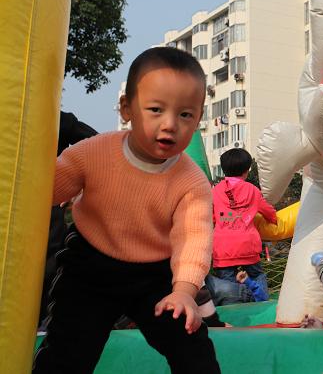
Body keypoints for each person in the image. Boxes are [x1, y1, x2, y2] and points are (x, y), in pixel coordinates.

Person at [33, 47, 221, 373]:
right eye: (156, 110)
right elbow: (46, 190)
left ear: (198, 119)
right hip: (90, 266)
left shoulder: (191, 182)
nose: (170, 124)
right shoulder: (94, 153)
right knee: (68, 350)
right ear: (126, 108)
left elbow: (193, 240)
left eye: (185, 115)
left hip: (156, 277)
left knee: (193, 350)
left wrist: (184, 292)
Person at [39, 112, 98, 330]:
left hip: (45, 212)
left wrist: (79, 185)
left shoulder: (55, 118)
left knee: (48, 271)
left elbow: (100, 146)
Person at [210, 148, 277, 303]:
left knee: (228, 286)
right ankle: (262, 308)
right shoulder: (252, 190)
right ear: (246, 171)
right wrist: (274, 219)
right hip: (248, 245)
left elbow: (211, 216)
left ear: (223, 169)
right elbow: (267, 210)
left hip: (223, 248)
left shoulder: (215, 192)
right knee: (256, 275)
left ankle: (232, 312)